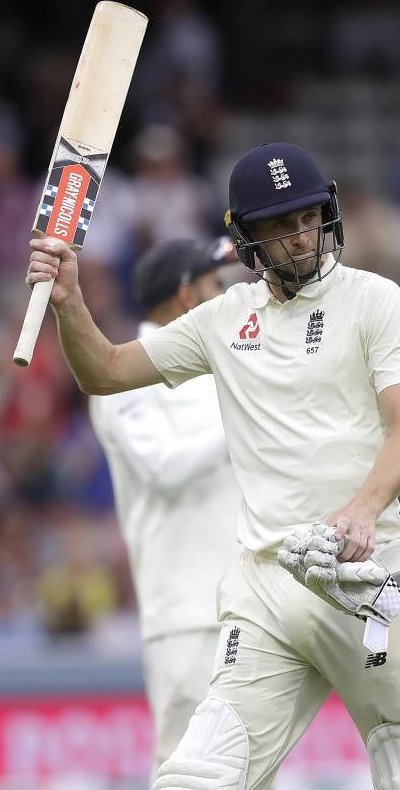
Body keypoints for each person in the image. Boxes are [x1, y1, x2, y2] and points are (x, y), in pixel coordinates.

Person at [24, 142, 400, 789]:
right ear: (248, 240)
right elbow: (107, 370)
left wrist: (362, 508)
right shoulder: (223, 319)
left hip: (366, 582)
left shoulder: (375, 299)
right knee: (196, 777)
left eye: (308, 217)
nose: (302, 236)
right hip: (268, 585)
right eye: (280, 225)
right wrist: (69, 303)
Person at [87, 236, 241, 771]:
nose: (222, 295)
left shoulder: (228, 366)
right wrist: (245, 420)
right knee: (188, 765)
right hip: (185, 608)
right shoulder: (122, 374)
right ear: (185, 295)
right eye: (214, 285)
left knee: (253, 763)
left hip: (252, 601)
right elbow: (164, 468)